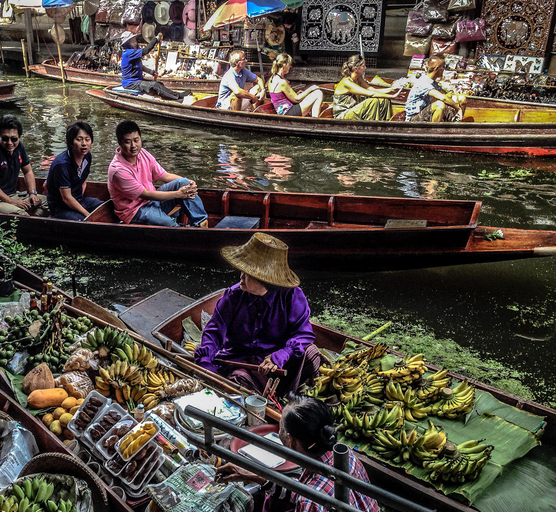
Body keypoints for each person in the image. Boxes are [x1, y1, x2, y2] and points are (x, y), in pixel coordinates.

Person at [194, 232, 320, 397]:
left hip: (279, 363)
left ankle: (298, 392)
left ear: (265, 280)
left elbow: (303, 333)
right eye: (242, 271)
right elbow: (214, 331)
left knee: (311, 354)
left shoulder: (292, 296)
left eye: (248, 274)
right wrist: (205, 359)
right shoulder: (233, 296)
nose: (241, 277)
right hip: (243, 362)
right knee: (239, 380)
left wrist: (282, 354)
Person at [215, 395, 380, 512]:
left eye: (280, 428)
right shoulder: (344, 454)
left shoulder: (310, 503)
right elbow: (300, 491)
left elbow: (308, 497)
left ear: (290, 440)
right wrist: (254, 476)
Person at [108, 120, 207, 227]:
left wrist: (189, 182)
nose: (133, 145)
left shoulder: (143, 154)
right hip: (135, 211)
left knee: (183, 182)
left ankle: (200, 223)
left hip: (153, 201)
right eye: (128, 142)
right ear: (120, 143)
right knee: (168, 224)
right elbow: (146, 194)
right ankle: (184, 232)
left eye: (136, 140)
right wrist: (178, 194)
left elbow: (164, 176)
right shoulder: (118, 170)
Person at [0, 114, 42, 216]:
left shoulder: (19, 147)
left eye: (14, 139)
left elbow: (27, 171)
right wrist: (11, 202)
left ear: (19, 137)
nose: (10, 143)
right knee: (21, 214)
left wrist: (32, 193)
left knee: (49, 203)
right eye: (5, 139)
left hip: (12, 194)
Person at [46, 121, 103, 221]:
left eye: (87, 139)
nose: (84, 144)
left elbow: (83, 180)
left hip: (78, 200)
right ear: (71, 142)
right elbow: (66, 198)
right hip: (60, 206)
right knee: (82, 220)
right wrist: (88, 215)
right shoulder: (62, 164)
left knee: (104, 207)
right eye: (79, 140)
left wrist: (80, 202)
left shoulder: (87, 156)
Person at [119, 31, 191, 102]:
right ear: (127, 44)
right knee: (154, 85)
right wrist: (155, 40)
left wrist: (151, 72)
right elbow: (146, 50)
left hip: (137, 80)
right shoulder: (128, 53)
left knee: (159, 84)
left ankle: (172, 97)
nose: (135, 43)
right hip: (131, 83)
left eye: (134, 41)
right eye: (132, 42)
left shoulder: (132, 53)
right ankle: (177, 97)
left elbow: (140, 66)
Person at [333, 55, 401, 121]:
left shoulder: (358, 78)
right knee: (373, 101)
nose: (365, 68)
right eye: (363, 66)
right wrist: (392, 96)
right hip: (343, 115)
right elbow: (370, 94)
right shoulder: (347, 82)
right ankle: (371, 126)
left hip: (354, 110)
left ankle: (384, 123)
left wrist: (391, 89)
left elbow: (371, 89)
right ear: (356, 69)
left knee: (384, 100)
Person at [405, 56, 467, 123]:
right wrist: (458, 108)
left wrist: (457, 99)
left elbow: (446, 95)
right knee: (439, 105)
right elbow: (443, 98)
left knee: (461, 98)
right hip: (414, 118)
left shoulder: (433, 82)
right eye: (443, 67)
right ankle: (434, 131)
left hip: (426, 114)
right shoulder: (423, 82)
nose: (444, 70)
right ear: (437, 69)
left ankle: (457, 124)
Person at [268, 53, 323, 117]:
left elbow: (280, 97)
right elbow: (297, 99)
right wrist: (311, 89)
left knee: (309, 94)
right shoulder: (282, 82)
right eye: (289, 65)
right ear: (284, 65)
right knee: (318, 93)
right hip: (288, 112)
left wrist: (298, 93)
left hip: (283, 111)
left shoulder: (271, 79)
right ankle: (314, 121)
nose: (290, 67)